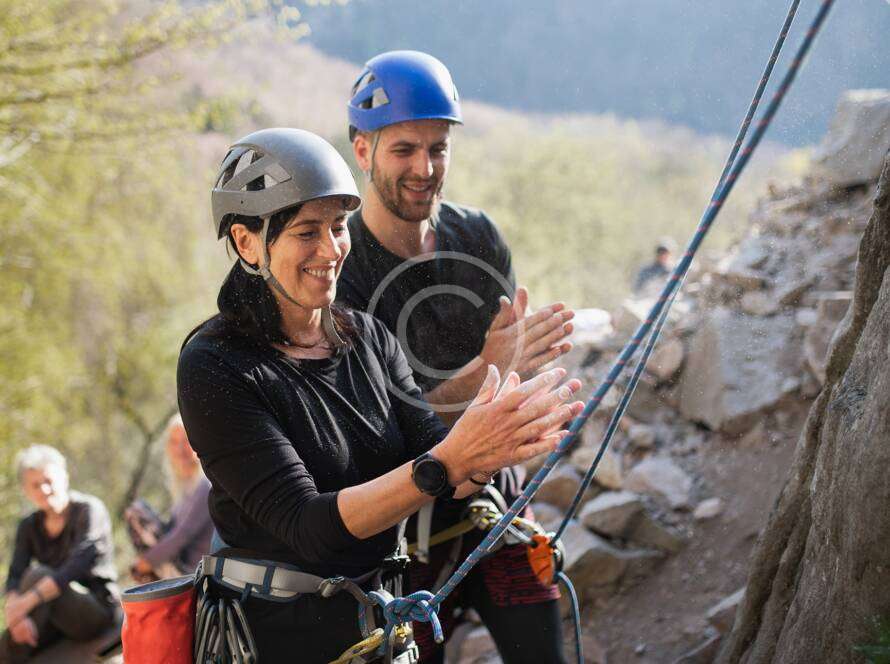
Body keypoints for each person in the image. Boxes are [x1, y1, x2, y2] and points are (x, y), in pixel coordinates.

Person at [177, 127, 584, 663]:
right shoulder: (216, 364)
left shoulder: (368, 338)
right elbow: (309, 526)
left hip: (379, 628)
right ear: (247, 241)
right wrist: (451, 460)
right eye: (307, 232)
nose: (331, 249)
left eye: (338, 227)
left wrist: (490, 449)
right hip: (280, 639)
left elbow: (439, 464)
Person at [337, 51, 575, 663]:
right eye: (404, 149)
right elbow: (381, 434)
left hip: (492, 504)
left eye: (437, 149)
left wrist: (522, 371)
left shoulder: (477, 237)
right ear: (362, 150)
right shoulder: (341, 271)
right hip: (401, 528)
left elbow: (509, 374)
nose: (425, 168)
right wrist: (487, 368)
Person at [1, 445, 119, 663]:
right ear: (26, 491)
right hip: (54, 613)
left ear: (64, 477)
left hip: (95, 610)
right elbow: (15, 575)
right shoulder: (28, 526)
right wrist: (16, 616)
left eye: (48, 480)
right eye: (35, 485)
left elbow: (75, 568)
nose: (44, 489)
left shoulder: (89, 510)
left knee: (38, 575)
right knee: (7, 641)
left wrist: (25, 604)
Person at [125, 413, 213, 581]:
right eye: (174, 442)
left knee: (136, 512)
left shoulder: (205, 484)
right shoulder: (183, 488)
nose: (180, 449)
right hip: (180, 567)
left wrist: (145, 562)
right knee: (136, 511)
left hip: (197, 574)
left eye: (186, 441)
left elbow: (182, 535)